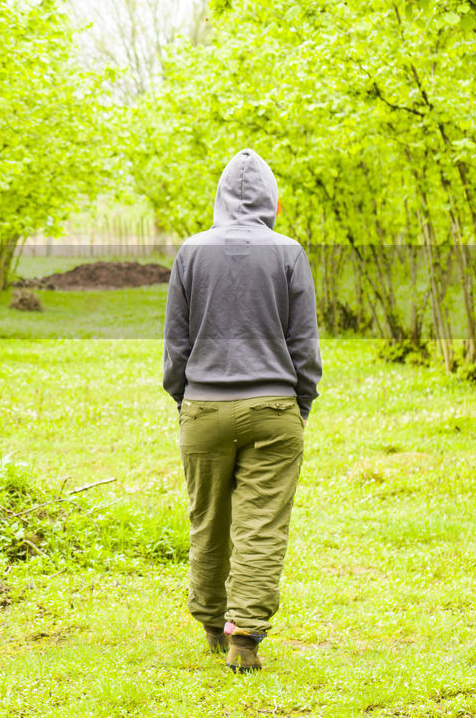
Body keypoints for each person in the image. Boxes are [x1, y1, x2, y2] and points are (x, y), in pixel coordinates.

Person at [162, 149, 322, 673]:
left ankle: (212, 623)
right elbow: (304, 347)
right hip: (274, 408)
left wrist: (184, 399)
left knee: (208, 519)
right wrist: (299, 405)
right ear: (273, 204)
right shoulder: (289, 253)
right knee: (261, 525)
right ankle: (244, 639)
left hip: (204, 406)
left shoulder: (190, 252)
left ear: (220, 199)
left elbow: (176, 347)